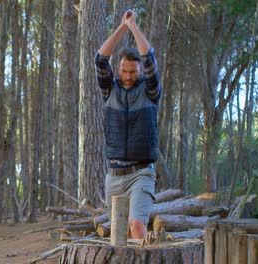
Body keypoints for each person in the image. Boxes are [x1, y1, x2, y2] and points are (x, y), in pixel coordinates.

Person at [94, 10, 162, 240]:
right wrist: (122, 27)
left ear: (140, 70)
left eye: (133, 71)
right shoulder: (109, 90)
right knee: (118, 236)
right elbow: (100, 59)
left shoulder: (150, 92)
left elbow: (149, 57)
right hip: (113, 175)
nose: (128, 75)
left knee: (137, 225)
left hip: (141, 172)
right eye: (124, 70)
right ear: (119, 69)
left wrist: (133, 27)